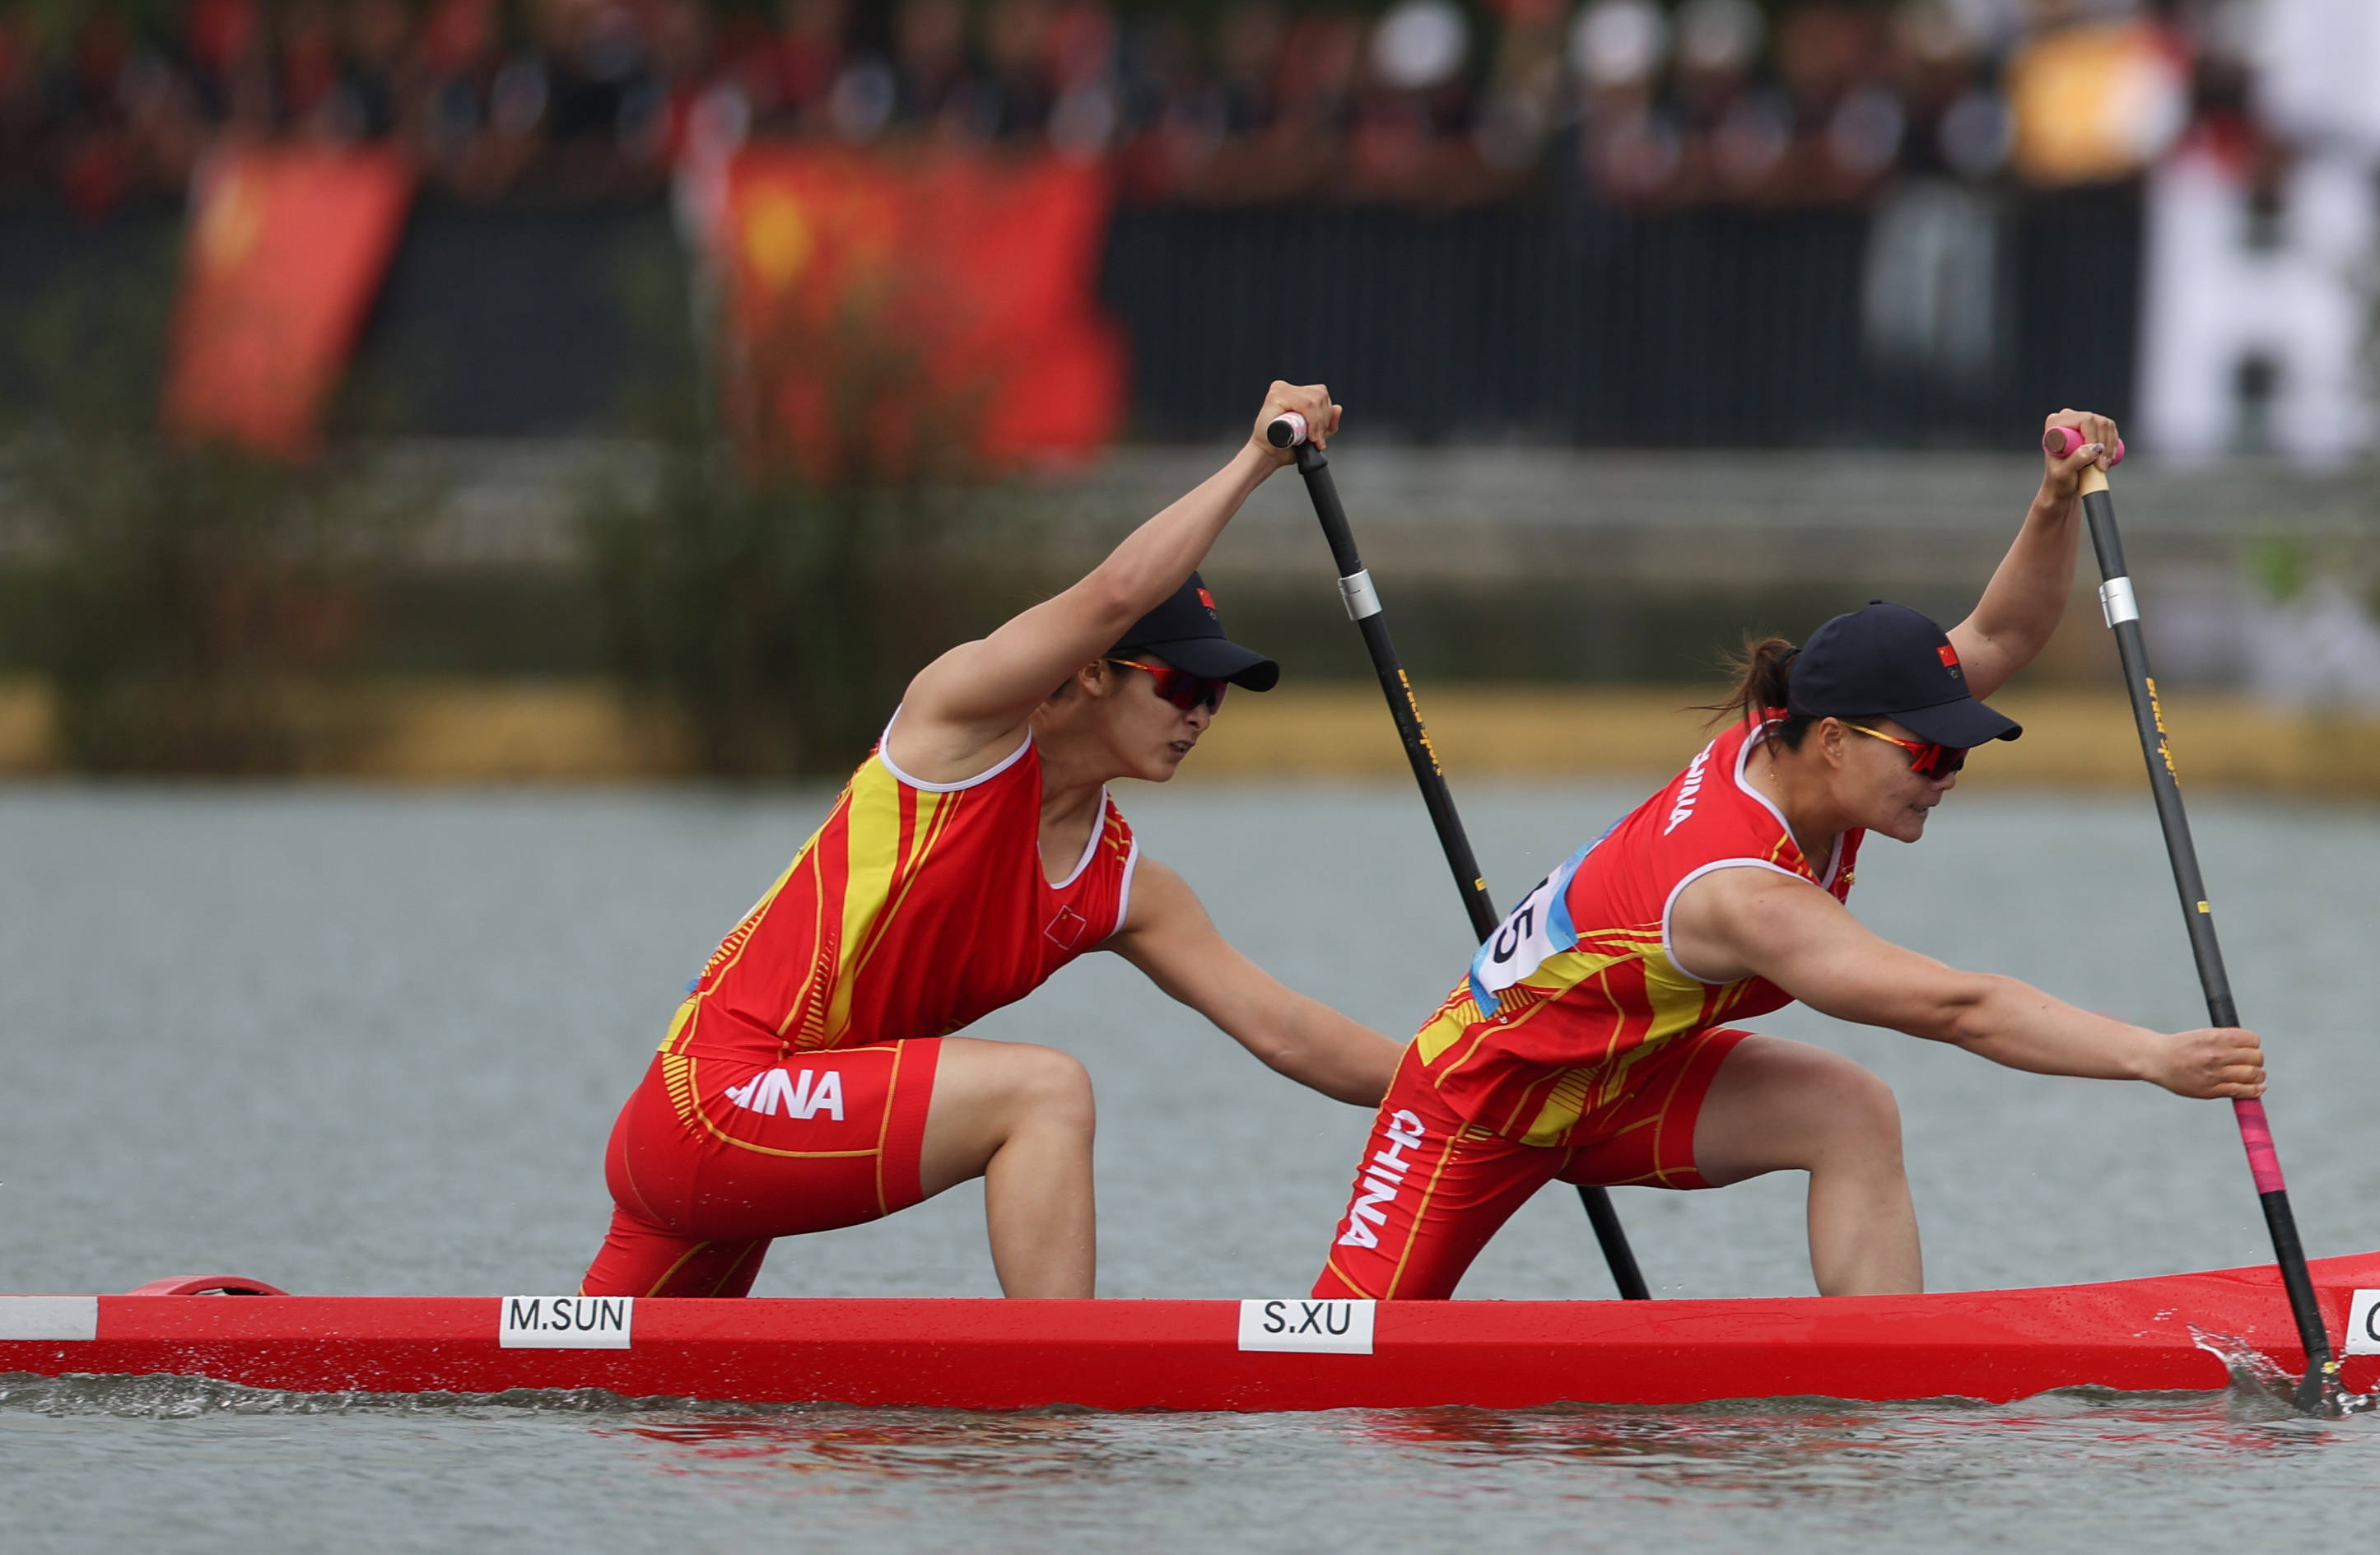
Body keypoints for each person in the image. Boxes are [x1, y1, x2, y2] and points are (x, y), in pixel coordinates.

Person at [1311, 409, 2264, 1302]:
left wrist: (2054, 499)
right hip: (1476, 1103)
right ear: (1838, 741)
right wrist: (2155, 1056)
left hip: (1627, 1081)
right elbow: (1959, 1007)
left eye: (1961, 751)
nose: (1947, 773)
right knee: (1334, 1370)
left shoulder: (1808, 734)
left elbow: (2005, 632)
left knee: (1848, 1109)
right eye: (1930, 754)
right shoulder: (1740, 890)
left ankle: (1877, 1386)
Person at [580, 382, 1399, 1301]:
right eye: (1182, 687)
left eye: (1217, 697)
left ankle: (1007, 1426)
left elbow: (1288, 1034)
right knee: (1044, 1093)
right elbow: (1115, 592)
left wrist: (1480, 1085)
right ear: (1092, 671)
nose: (1202, 715)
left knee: (644, 1417)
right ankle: (1058, 1407)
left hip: (756, 1146)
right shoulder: (959, 730)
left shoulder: (1129, 887)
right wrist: (1258, 460)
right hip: (716, 1100)